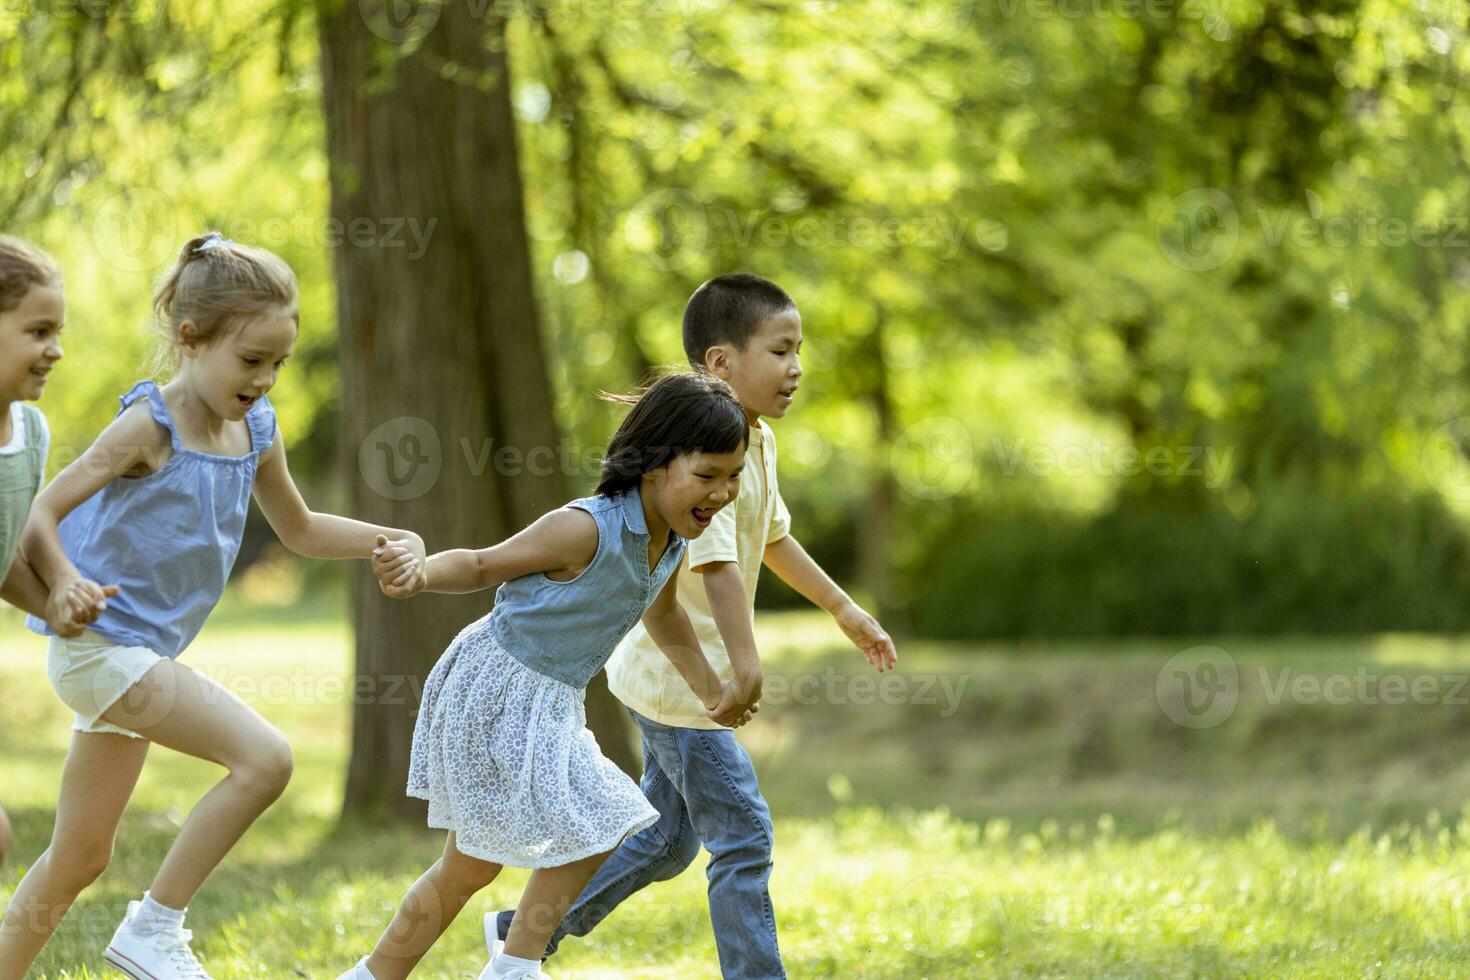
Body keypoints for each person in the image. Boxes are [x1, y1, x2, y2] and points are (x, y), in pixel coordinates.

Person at [0, 232, 426, 980]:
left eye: (279, 364)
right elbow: (41, 510)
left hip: (138, 657)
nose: (265, 379)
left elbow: (300, 529)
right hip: (103, 648)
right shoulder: (149, 427)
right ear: (190, 340)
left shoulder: (256, 430)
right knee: (265, 761)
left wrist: (385, 537)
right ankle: (155, 928)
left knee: (77, 858)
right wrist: (64, 579)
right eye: (250, 360)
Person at [486, 274, 898, 979]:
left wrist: (843, 607)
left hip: (670, 676)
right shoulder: (705, 460)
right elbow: (714, 570)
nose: (797, 366)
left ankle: (520, 932)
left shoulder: (754, 445)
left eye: (799, 350)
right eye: (780, 349)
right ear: (721, 363)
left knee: (666, 841)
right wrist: (745, 665)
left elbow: (772, 539)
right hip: (686, 684)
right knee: (742, 839)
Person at [340, 372, 755, 980]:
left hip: (550, 699)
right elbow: (482, 563)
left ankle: (452, 970)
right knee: (545, 838)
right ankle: (504, 967)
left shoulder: (668, 543)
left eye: (734, 475)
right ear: (654, 467)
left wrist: (711, 690)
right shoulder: (586, 527)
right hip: (495, 687)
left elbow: (663, 615)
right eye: (708, 474)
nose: (722, 492)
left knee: (490, 860)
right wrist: (422, 571)